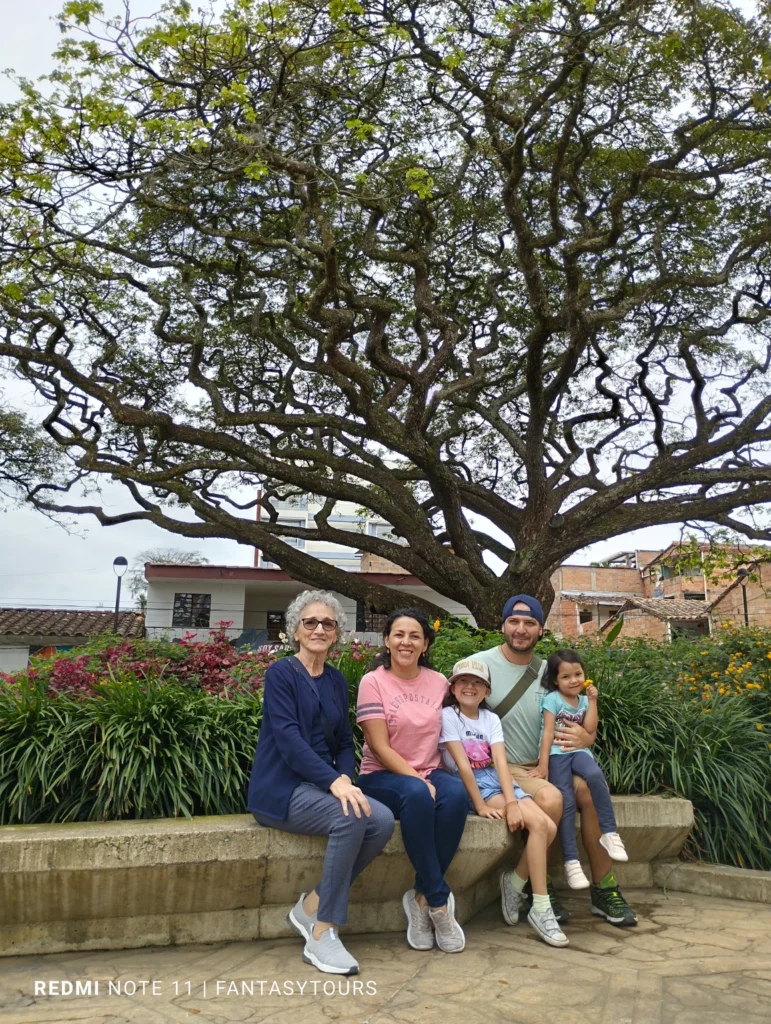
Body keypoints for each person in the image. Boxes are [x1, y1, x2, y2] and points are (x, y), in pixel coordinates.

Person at [247, 590, 395, 976]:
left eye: (327, 623)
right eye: (309, 622)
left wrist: (345, 776)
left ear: (336, 634)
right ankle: (322, 931)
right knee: (350, 816)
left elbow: (345, 741)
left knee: (379, 820)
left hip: (323, 786)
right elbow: (289, 741)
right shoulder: (280, 674)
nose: (318, 629)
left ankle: (310, 904)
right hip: (281, 789)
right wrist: (335, 783)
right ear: (296, 631)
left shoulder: (334, 679)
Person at [473, 595, 639, 928]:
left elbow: (576, 717)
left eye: (529, 623)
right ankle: (540, 885)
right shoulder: (479, 665)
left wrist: (587, 738)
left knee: (593, 790)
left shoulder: (552, 670)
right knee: (553, 799)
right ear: (503, 624)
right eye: (514, 622)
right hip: (506, 768)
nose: (521, 630)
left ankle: (604, 887)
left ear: (540, 629)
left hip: (552, 762)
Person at [356, 609, 469, 954]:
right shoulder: (372, 681)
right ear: (388, 641)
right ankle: (437, 902)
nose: (406, 641)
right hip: (381, 774)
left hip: (429, 769)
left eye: (415, 636)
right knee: (419, 796)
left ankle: (419, 899)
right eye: (399, 635)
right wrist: (417, 780)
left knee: (456, 797)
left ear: (425, 644)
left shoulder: (438, 683)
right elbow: (378, 745)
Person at [439, 657, 568, 947]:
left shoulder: (491, 719)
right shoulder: (448, 716)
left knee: (548, 826)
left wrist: (511, 802)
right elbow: (461, 765)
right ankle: (542, 909)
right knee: (539, 825)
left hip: (499, 780)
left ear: (487, 692)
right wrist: (482, 806)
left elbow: (500, 762)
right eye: (463, 681)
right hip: (472, 784)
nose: (469, 687)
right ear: (453, 687)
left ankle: (514, 883)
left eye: (478, 683)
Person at [534, 649, 628, 890]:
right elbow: (546, 732)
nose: (573, 680)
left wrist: (593, 701)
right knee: (565, 801)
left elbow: (589, 728)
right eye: (566, 677)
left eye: (578, 674)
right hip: (556, 756)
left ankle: (609, 833)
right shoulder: (552, 700)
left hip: (579, 753)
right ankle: (571, 861)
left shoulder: (585, 701)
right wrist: (543, 763)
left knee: (596, 776)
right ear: (555, 680)